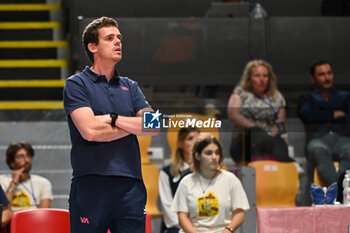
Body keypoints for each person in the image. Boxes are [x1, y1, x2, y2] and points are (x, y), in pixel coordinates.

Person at [63, 16, 158, 233]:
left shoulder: (130, 86)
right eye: (110, 38)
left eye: (119, 38)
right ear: (93, 46)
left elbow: (153, 125)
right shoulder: (76, 84)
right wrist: (133, 125)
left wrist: (112, 118)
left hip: (131, 185)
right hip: (91, 183)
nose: (118, 42)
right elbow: (90, 131)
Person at [171, 134, 250, 233]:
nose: (214, 157)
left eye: (217, 153)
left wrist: (228, 230)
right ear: (197, 156)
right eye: (208, 153)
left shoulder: (231, 180)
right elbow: (182, 218)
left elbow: (239, 213)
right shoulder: (186, 182)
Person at [298, 59, 350, 201]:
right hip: (317, 139)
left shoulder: (345, 96)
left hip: (342, 138)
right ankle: (339, 195)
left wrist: (320, 115)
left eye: (329, 73)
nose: (326, 77)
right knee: (320, 153)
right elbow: (307, 115)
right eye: (321, 74)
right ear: (313, 78)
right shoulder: (306, 98)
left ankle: (341, 191)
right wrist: (334, 114)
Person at [227, 59, 295, 165]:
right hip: (245, 140)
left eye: (265, 76)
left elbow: (281, 122)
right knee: (255, 132)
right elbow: (233, 115)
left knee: (280, 141)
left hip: (270, 140)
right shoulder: (240, 93)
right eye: (257, 76)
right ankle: (289, 163)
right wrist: (257, 128)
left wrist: (274, 131)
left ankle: (287, 166)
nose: (262, 79)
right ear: (249, 78)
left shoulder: (276, 96)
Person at [159, 127, 200, 233]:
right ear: (181, 144)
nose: (195, 142)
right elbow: (167, 205)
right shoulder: (167, 172)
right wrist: (185, 227)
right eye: (190, 139)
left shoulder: (207, 171)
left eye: (198, 139)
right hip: (177, 226)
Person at [0, 141, 53, 212]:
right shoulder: (2, 180)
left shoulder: (43, 183)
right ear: (11, 163)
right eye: (20, 156)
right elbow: (3, 209)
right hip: (11, 222)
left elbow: (45, 214)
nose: (26, 160)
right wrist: (14, 183)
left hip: (34, 221)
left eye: (28, 155)